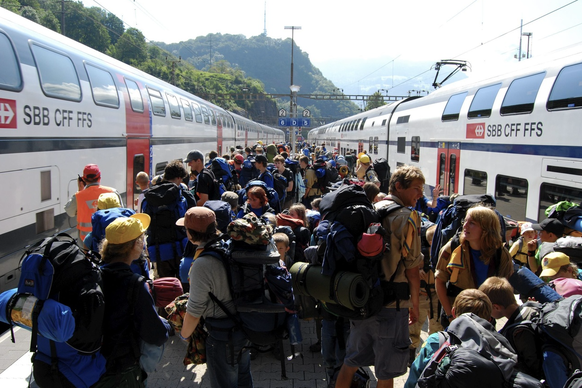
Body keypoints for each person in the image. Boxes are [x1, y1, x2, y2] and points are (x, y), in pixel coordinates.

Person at [335, 165, 424, 388]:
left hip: (362, 297)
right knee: (386, 371)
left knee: (351, 361)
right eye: (416, 189)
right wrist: (415, 305)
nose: (420, 195)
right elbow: (412, 271)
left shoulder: (370, 207)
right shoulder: (408, 217)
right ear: (398, 187)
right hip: (392, 305)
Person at [178, 207, 253, 388]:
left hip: (221, 336)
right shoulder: (228, 245)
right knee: (243, 380)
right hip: (244, 327)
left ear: (190, 234)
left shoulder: (203, 264)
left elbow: (195, 310)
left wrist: (185, 335)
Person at [96, 214, 170, 388]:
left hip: (95, 366)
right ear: (135, 245)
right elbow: (156, 335)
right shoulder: (135, 284)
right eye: (142, 238)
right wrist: (166, 324)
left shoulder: (96, 274)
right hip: (122, 369)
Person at [435, 205, 514, 327]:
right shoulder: (453, 248)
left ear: (487, 228)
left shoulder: (501, 254)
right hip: (456, 315)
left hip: (485, 318)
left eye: (472, 223)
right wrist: (450, 315)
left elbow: (504, 286)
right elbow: (439, 281)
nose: (465, 226)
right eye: (464, 221)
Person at [404, 289, 493, 388]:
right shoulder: (495, 347)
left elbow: (414, 377)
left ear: (453, 312)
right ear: (489, 320)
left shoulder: (436, 342)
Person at [478, 276, 543, 381]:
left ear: (496, 307)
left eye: (488, 309)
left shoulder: (518, 330)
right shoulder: (532, 306)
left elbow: (533, 367)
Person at [142, 160, 196, 279]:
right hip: (181, 248)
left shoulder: (150, 196)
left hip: (158, 251)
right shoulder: (183, 194)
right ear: (178, 178)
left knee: (165, 285)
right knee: (182, 284)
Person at [409, 224, 443, 365]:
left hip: (435, 295)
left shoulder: (441, 254)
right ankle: (411, 353)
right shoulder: (420, 255)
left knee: (435, 327)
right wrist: (418, 271)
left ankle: (432, 353)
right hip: (421, 294)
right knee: (415, 326)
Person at [65, 164, 123, 243]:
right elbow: (122, 213)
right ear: (99, 177)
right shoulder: (112, 192)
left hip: (86, 243)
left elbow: (70, 212)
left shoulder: (78, 196)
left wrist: (80, 190)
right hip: (109, 239)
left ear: (84, 179)